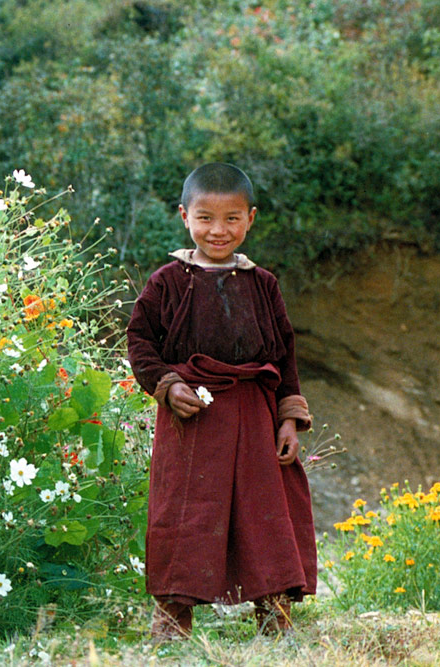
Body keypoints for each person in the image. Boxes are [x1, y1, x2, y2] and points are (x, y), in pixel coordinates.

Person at [126, 163, 316, 640]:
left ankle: (275, 618)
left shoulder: (263, 284)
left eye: (232, 218)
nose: (218, 230)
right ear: (183, 216)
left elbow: (284, 353)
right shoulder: (168, 281)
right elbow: (140, 341)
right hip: (193, 416)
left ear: (250, 219)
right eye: (205, 217)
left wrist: (288, 419)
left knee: (264, 515)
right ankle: (172, 621)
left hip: (255, 414)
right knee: (187, 513)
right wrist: (168, 386)